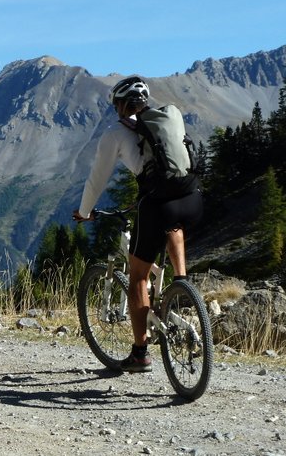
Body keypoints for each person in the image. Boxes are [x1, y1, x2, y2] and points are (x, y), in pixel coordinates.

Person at [73, 76, 203, 372]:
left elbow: (97, 179)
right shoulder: (166, 120)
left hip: (157, 205)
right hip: (193, 197)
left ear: (121, 105)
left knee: (137, 278)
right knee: (174, 224)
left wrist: (84, 211)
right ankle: (181, 287)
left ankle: (140, 352)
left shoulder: (115, 133)